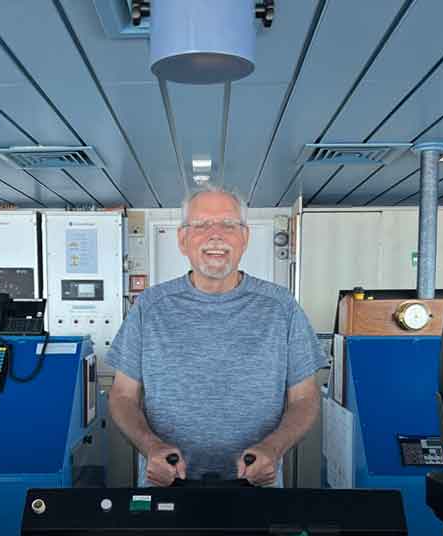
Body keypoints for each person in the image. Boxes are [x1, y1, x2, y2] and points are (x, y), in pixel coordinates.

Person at [107, 185, 325, 487]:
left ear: (244, 238)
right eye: (201, 225)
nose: (215, 234)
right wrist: (150, 446)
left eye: (228, 224)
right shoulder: (149, 308)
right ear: (182, 240)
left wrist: (273, 449)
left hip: (257, 483)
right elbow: (122, 395)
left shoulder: (282, 308)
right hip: (168, 483)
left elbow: (305, 397)